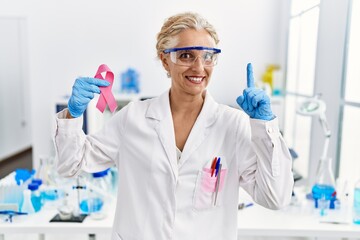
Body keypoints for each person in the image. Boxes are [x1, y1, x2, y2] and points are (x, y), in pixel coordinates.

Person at [54, 12, 294, 240]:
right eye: (186, 55)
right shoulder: (134, 118)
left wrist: (265, 125)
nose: (199, 67)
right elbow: (71, 165)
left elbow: (276, 197)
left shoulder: (233, 124)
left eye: (208, 56)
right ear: (165, 60)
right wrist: (73, 115)